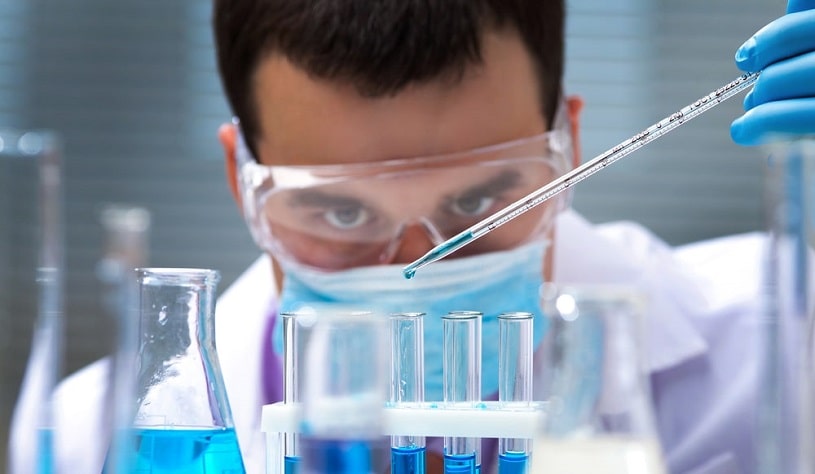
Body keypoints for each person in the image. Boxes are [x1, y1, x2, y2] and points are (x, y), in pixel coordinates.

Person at [15, 1, 814, 473]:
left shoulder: (785, 341)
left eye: (480, 202)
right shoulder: (95, 435)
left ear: (567, 146)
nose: (414, 266)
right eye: (340, 212)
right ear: (241, 180)